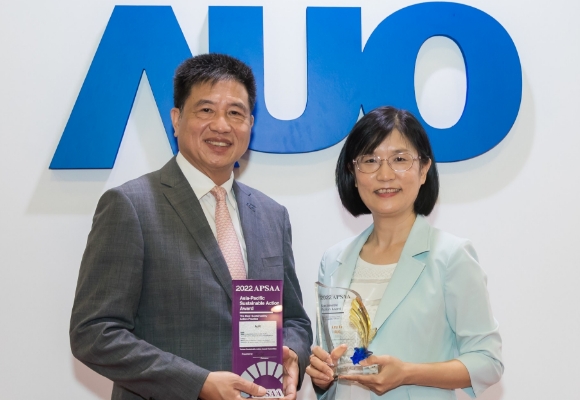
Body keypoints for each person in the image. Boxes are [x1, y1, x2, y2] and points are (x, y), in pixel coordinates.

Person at [70, 53, 312, 400]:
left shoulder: (272, 215)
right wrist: (197, 383)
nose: (221, 125)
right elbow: (94, 332)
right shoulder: (131, 206)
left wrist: (292, 355)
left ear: (250, 124)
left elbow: (295, 321)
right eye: (206, 110)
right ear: (176, 119)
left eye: (235, 113)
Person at [306, 106, 503, 399]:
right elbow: (333, 363)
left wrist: (408, 373)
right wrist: (323, 377)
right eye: (370, 160)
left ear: (423, 170)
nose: (385, 174)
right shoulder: (333, 260)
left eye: (399, 159)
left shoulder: (452, 256)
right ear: (353, 173)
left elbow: (488, 362)